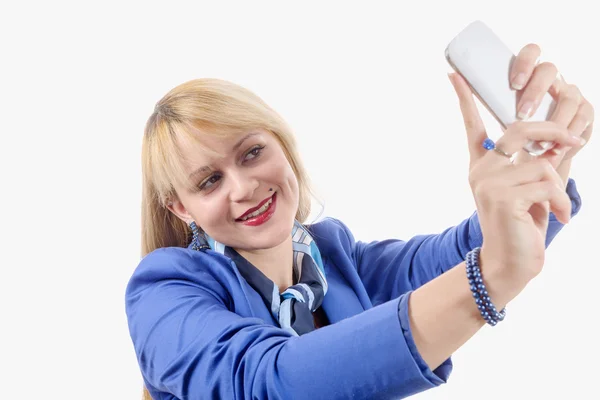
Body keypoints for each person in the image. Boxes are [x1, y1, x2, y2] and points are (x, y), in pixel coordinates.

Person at [125, 42, 594, 400]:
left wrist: (540, 171)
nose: (243, 187)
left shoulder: (334, 255)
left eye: (252, 153)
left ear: (283, 145)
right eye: (209, 181)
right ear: (181, 208)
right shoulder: (163, 293)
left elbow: (456, 257)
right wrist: (490, 277)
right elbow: (269, 381)